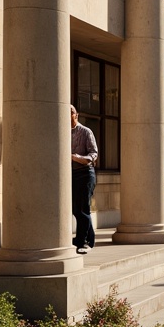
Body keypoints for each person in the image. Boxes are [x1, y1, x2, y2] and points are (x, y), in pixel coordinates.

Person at [71, 105, 98, 255]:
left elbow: (94, 154)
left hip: (85, 174)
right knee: (77, 209)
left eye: (72, 113)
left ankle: (82, 242)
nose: (69, 115)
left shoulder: (86, 132)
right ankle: (90, 238)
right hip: (70, 174)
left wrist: (76, 157)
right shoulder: (63, 132)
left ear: (77, 115)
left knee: (82, 209)